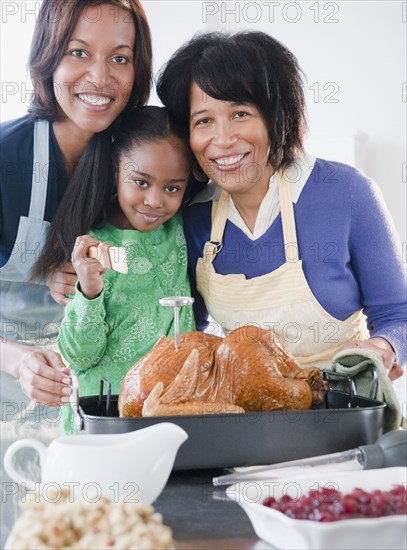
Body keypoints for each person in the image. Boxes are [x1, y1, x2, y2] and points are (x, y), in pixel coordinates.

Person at [156, 31, 406, 380]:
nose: (223, 139)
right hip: (247, 417)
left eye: (240, 113)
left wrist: (385, 346)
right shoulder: (194, 217)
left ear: (277, 117)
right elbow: (187, 334)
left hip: (348, 410)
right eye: (204, 121)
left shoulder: (347, 193)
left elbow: (398, 313)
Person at [0, 0, 152, 406]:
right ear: (47, 56)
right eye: (78, 52)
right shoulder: (5, 157)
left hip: (97, 390)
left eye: (120, 58)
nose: (100, 77)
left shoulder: (136, 165)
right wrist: (18, 361)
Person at [57, 107, 196, 431]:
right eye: (140, 182)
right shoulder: (90, 249)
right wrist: (89, 291)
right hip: (103, 420)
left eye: (172, 188)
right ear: (114, 171)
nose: (155, 201)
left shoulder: (175, 229)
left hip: (168, 416)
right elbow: (79, 357)